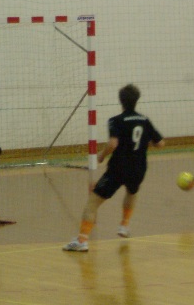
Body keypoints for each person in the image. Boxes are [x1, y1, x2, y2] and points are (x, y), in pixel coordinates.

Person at [63, 84, 165, 252]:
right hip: (139, 167)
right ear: (136, 100)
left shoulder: (115, 121)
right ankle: (124, 225)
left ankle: (82, 240)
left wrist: (101, 156)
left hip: (118, 168)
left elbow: (113, 143)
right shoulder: (144, 120)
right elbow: (160, 143)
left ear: (121, 101)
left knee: (93, 202)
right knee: (132, 192)